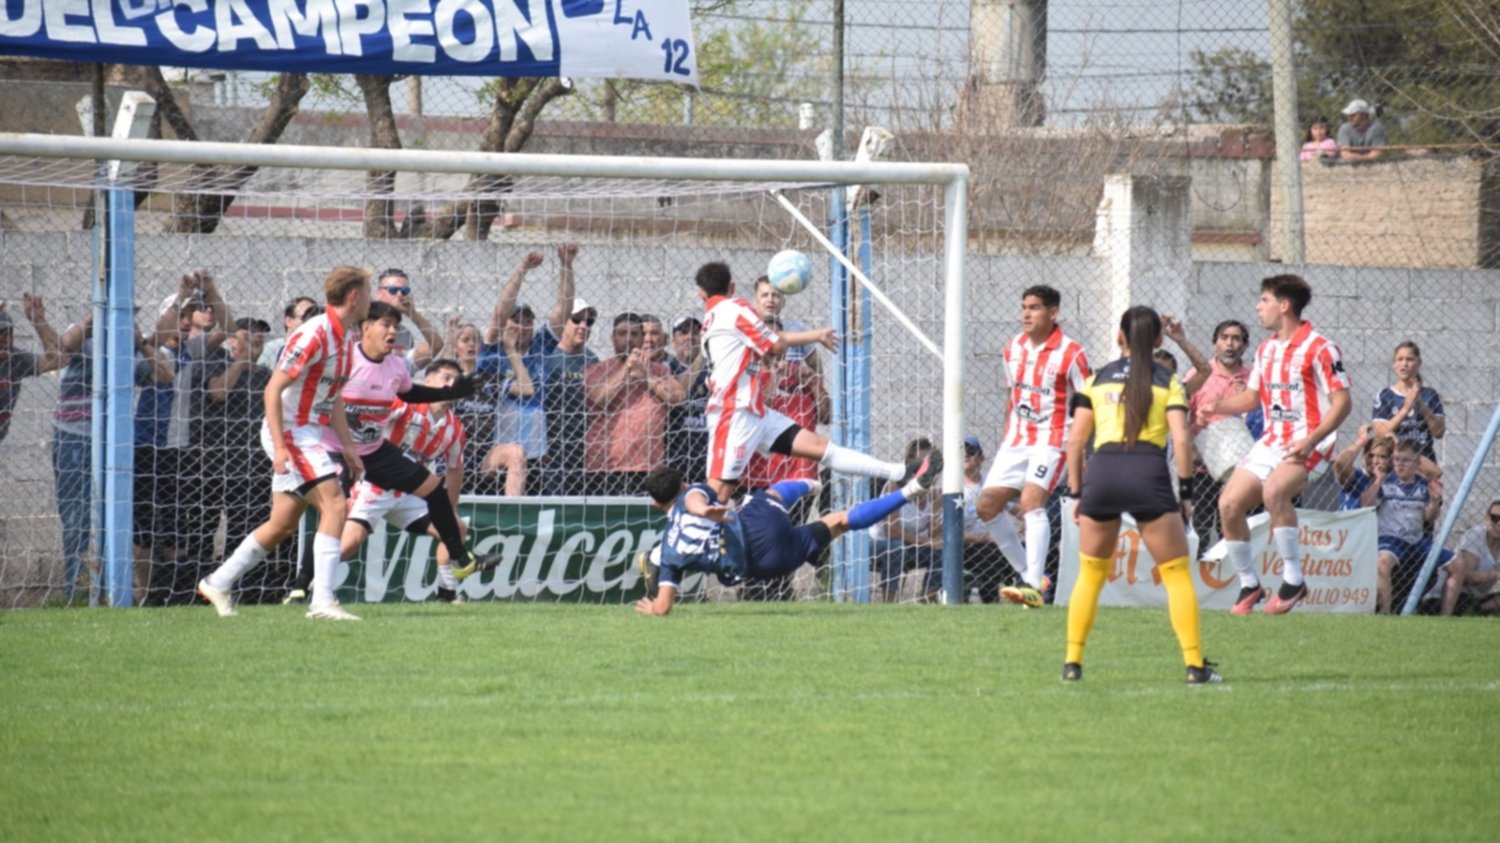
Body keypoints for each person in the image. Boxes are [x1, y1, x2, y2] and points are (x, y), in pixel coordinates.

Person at [280, 302, 492, 607]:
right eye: (385, 325)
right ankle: (301, 586)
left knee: (436, 491)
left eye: (395, 326)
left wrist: (450, 393)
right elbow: (325, 396)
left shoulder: (397, 370)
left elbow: (410, 392)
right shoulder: (345, 361)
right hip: (338, 451)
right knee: (337, 523)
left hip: (378, 458)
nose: (392, 331)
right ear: (365, 328)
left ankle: (459, 565)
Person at [197, 266, 371, 621]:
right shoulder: (314, 334)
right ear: (355, 297)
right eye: (368, 292)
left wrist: (349, 447)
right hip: (292, 431)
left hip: (307, 430)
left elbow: (332, 396)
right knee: (336, 505)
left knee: (282, 523)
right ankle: (322, 601)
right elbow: (272, 389)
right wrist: (279, 447)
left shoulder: (346, 337)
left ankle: (218, 581)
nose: (370, 299)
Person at [1061, 306, 1220, 685]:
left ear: (1119, 337)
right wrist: (1185, 492)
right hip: (1148, 473)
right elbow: (1181, 439)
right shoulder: (1168, 380)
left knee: (1090, 573)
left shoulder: (1095, 379)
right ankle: (1195, 666)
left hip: (1103, 472)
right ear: (1160, 341)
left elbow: (1075, 441)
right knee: (1177, 574)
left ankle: (1072, 662)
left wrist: (1076, 492)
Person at [695, 261, 919, 504]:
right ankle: (691, 539)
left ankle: (899, 472)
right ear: (733, 287)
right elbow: (777, 344)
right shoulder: (735, 307)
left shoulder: (711, 319)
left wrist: (814, 335)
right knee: (718, 494)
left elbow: (772, 340)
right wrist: (807, 339)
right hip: (734, 413)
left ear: (701, 294)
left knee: (821, 447)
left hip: (755, 412)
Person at [634, 450, 944, 616]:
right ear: (683, 484)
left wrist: (652, 610)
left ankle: (910, 491)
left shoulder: (671, 551)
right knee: (773, 494)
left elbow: (663, 608)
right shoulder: (694, 493)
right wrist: (703, 509)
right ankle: (815, 483)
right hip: (755, 526)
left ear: (656, 504)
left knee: (840, 522)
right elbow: (695, 500)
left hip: (765, 565)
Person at [1202, 274, 1352, 615]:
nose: (1258, 306)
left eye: (1264, 300)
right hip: (1272, 441)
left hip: (1311, 441)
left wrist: (1312, 439)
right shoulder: (1266, 349)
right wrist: (1217, 406)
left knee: (1274, 493)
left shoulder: (1321, 348)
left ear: (1284, 306)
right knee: (1228, 504)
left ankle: (1293, 579)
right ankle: (1249, 585)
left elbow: (1343, 403)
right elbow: (1253, 397)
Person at [975, 285, 1091, 609]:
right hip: (1016, 440)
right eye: (1024, 306)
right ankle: (1030, 574)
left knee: (1031, 503)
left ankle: (1031, 586)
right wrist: (1005, 435)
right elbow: (1012, 395)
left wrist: (1079, 453)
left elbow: (1088, 406)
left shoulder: (1072, 354)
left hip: (1052, 440)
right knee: (985, 506)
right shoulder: (1012, 347)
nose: (1026, 313)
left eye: (1035, 308)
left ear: (1053, 313)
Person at [53, 309, 174, 600]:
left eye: (131, 317)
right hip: (74, 437)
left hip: (117, 444)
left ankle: (114, 590)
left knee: (118, 517)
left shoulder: (130, 352)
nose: (127, 322)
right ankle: (78, 591)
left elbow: (165, 374)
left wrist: (142, 344)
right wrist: (89, 322)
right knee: (78, 519)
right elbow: (64, 347)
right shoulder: (85, 336)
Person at [337, 359, 472, 604]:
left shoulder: (456, 428)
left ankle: (448, 592)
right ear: (427, 380)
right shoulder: (404, 405)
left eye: (456, 380)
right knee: (349, 544)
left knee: (456, 527)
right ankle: (308, 585)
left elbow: (455, 469)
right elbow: (366, 423)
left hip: (410, 494)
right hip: (376, 486)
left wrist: (450, 509)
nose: (451, 384)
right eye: (445, 377)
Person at [583, 312, 684, 496]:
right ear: (612, 339)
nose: (628, 339)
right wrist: (626, 369)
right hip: (605, 467)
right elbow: (599, 398)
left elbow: (677, 397)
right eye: (622, 334)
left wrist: (646, 376)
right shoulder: (598, 368)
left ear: (641, 338)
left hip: (647, 466)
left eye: (634, 334)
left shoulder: (659, 371)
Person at [481, 250, 556, 495]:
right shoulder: (492, 350)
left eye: (527, 321)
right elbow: (499, 313)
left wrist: (566, 266)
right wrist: (522, 269)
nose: (521, 326)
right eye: (516, 320)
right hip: (499, 450)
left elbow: (562, 312)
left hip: (535, 452)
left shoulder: (540, 347)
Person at [1180, 319, 1251, 545]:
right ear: (1214, 343)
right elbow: (1180, 413)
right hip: (1202, 468)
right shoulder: (1199, 375)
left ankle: (1233, 577)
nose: (1230, 344)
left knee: (1232, 531)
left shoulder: (1253, 379)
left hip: (1239, 471)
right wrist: (1189, 449)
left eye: (1236, 338)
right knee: (1197, 531)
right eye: (1224, 338)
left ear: (1245, 345)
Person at [1363, 438, 1444, 614]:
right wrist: (1377, 481)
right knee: (1382, 563)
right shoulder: (1386, 482)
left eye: (1405, 460)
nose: (1399, 464)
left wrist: (1435, 501)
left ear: (1417, 463)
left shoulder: (1423, 485)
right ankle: (1386, 614)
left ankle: (1447, 617)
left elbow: (1428, 517)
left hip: (1416, 541)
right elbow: (1365, 505)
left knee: (1457, 564)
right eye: (1397, 459)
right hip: (1391, 539)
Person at [869, 437, 943, 603]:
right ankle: (889, 604)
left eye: (928, 463)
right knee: (897, 547)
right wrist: (928, 541)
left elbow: (934, 534)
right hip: (880, 543)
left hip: (911, 545)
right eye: (920, 462)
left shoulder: (935, 494)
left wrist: (937, 510)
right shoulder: (894, 487)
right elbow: (892, 531)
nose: (925, 468)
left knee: (943, 550)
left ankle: (926, 597)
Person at [0, 294, 65, 445]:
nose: (6, 342)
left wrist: (39, 322)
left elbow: (58, 359)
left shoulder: (15, 358)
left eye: (9, 335)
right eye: (0, 337)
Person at [1370, 341, 1444, 464]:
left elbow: (1438, 432)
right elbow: (1381, 432)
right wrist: (1405, 408)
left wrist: (1419, 402)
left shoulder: (1430, 395)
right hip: (1395, 466)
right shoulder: (1385, 396)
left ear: (1419, 363)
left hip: (1424, 463)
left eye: (1409, 359)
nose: (1404, 364)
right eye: (1400, 359)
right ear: (1394, 364)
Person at [961, 435, 1013, 603]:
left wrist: (1028, 518)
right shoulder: (950, 485)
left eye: (971, 451)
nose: (966, 455)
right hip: (966, 543)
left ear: (980, 458)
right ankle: (989, 599)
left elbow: (1009, 505)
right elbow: (942, 529)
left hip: (993, 540)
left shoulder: (991, 481)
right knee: (991, 553)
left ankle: (1036, 593)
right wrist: (974, 537)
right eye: (961, 451)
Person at [665, 315, 710, 481]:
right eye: (683, 332)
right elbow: (679, 393)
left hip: (707, 459)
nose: (690, 337)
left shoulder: (714, 370)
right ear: (673, 341)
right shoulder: (666, 368)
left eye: (696, 333)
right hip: (675, 458)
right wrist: (701, 358)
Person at [374, 268, 443, 370]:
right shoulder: (364, 324)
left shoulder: (405, 334)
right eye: (393, 290)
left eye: (405, 291)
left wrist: (413, 313)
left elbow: (435, 346)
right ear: (379, 294)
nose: (400, 295)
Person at [1439, 500, 1500, 616]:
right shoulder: (1475, 536)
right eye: (1495, 518)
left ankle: (1480, 609)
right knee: (1464, 599)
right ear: (1487, 519)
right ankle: (1478, 610)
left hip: (1479, 597)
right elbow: (1467, 578)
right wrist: (1496, 575)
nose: (1499, 524)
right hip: (1454, 594)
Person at [258, 296, 318, 369]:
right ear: (288, 321)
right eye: (306, 317)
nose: (312, 322)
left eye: (314, 318)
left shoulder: (318, 350)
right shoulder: (270, 349)